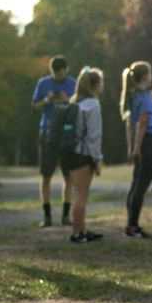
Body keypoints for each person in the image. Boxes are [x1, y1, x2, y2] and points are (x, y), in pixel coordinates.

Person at [121, 61, 152, 238]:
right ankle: (132, 226)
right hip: (149, 142)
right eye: (150, 73)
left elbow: (131, 126)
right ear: (145, 76)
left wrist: (132, 147)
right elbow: (143, 123)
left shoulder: (133, 96)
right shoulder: (145, 96)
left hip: (144, 143)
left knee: (136, 184)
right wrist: (137, 148)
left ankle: (131, 223)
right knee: (140, 186)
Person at [31, 55, 76, 228]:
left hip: (67, 133)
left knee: (68, 176)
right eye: (55, 74)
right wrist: (46, 100)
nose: (58, 77)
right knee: (46, 175)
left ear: (66, 69)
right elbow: (34, 106)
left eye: (61, 73)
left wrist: (68, 100)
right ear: (51, 71)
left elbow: (79, 105)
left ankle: (66, 215)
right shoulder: (43, 83)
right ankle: (47, 215)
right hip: (48, 131)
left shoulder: (73, 83)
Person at [62, 67, 104, 244]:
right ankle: (77, 233)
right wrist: (97, 159)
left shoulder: (75, 102)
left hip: (70, 153)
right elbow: (93, 136)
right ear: (95, 85)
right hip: (83, 155)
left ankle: (82, 229)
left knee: (77, 193)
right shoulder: (93, 105)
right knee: (81, 195)